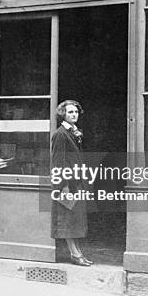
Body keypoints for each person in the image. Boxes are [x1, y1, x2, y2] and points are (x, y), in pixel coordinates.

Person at [51, 100, 92, 266]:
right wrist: (64, 187)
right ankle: (74, 254)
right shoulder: (60, 134)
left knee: (75, 219)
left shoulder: (74, 132)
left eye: (75, 112)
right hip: (67, 184)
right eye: (70, 112)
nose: (74, 114)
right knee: (68, 220)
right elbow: (58, 162)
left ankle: (78, 252)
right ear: (63, 115)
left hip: (77, 182)